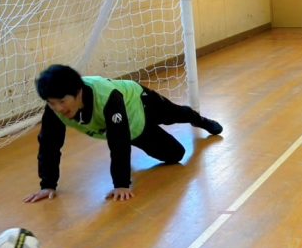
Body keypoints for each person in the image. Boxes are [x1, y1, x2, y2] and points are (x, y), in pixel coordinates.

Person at [23, 64, 223, 203]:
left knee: (176, 114)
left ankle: (202, 121)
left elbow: (118, 141)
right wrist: (48, 185)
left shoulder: (108, 97)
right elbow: (49, 145)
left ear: (78, 91)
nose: (58, 108)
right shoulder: (54, 111)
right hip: (134, 129)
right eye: (51, 102)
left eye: (62, 101)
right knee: (175, 155)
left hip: (141, 103)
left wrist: (121, 184)